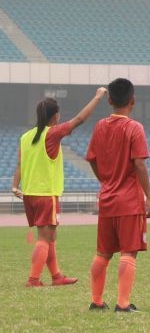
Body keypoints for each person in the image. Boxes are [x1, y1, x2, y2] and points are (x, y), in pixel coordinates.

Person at [12, 87, 108, 287]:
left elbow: (20, 164)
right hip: (46, 194)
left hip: (30, 193)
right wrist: (98, 96)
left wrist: (14, 186)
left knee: (50, 236)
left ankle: (56, 277)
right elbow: (80, 119)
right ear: (55, 116)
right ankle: (33, 279)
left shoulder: (26, 136)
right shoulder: (52, 134)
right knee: (44, 239)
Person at [86, 78, 150, 313]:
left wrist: (105, 181)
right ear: (133, 101)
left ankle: (96, 301)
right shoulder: (134, 128)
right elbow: (140, 165)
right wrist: (149, 196)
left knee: (103, 253)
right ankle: (123, 304)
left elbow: (93, 159)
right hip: (129, 201)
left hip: (107, 199)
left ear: (109, 100)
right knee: (129, 251)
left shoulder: (99, 126)